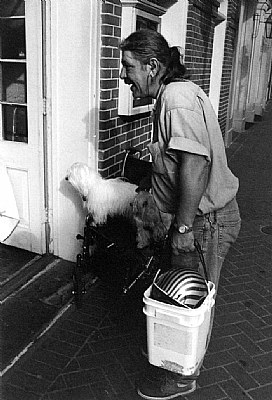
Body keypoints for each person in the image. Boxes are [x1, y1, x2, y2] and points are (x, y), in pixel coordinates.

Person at [120, 29, 241, 399]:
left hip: (206, 222)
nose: (124, 76)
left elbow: (194, 165)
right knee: (179, 297)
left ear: (153, 66)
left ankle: (183, 375)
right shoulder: (171, 96)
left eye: (129, 67)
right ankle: (171, 355)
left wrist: (185, 227)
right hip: (199, 220)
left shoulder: (176, 99)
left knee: (189, 306)